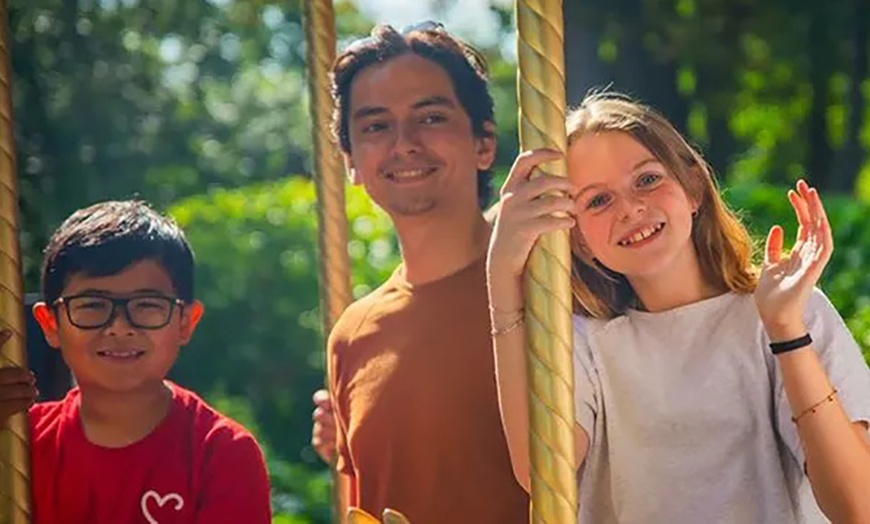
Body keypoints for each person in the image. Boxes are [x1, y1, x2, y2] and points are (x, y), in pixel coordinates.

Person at [487, 92, 870, 523]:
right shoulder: (583, 342)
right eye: (597, 200)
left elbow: (857, 507)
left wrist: (785, 329)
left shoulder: (791, 311)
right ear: (577, 240)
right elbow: (542, 473)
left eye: (647, 179)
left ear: (692, 187)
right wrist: (502, 279)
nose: (631, 208)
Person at [322, 22, 528, 522]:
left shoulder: (546, 280)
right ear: (350, 161)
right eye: (375, 126)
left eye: (430, 117)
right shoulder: (353, 335)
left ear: (484, 143)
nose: (404, 143)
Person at [0, 200, 272, 524]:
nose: (119, 327)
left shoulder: (221, 453)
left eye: (146, 305)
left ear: (186, 321)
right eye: (92, 305)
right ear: (50, 323)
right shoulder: (18, 440)